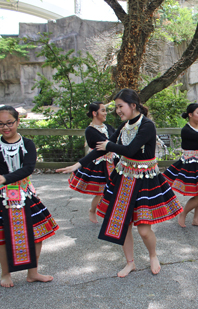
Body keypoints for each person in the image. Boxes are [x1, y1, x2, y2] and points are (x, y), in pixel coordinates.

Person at [56, 89, 182, 277]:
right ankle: (130, 262)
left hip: (145, 179)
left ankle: (153, 255)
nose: (117, 111)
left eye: (120, 106)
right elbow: (101, 149)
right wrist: (78, 164)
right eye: (116, 107)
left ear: (133, 105)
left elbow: (130, 149)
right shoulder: (125, 126)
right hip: (124, 177)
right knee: (123, 224)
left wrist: (109, 145)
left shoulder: (147, 125)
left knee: (144, 230)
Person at [0, 105, 58, 288]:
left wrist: (6, 178)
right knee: (3, 236)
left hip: (23, 193)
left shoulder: (27, 144)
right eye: (0, 124)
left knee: (37, 233)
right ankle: (5, 273)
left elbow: (28, 168)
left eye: (9, 123)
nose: (5, 127)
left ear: (17, 121)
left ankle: (32, 272)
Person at [68, 102, 117, 223]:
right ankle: (93, 210)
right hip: (98, 162)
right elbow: (105, 144)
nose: (106, 113)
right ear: (95, 113)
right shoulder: (90, 130)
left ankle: (111, 214)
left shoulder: (109, 127)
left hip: (113, 161)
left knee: (115, 189)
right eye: (103, 111)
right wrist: (112, 145)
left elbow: (116, 141)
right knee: (101, 191)